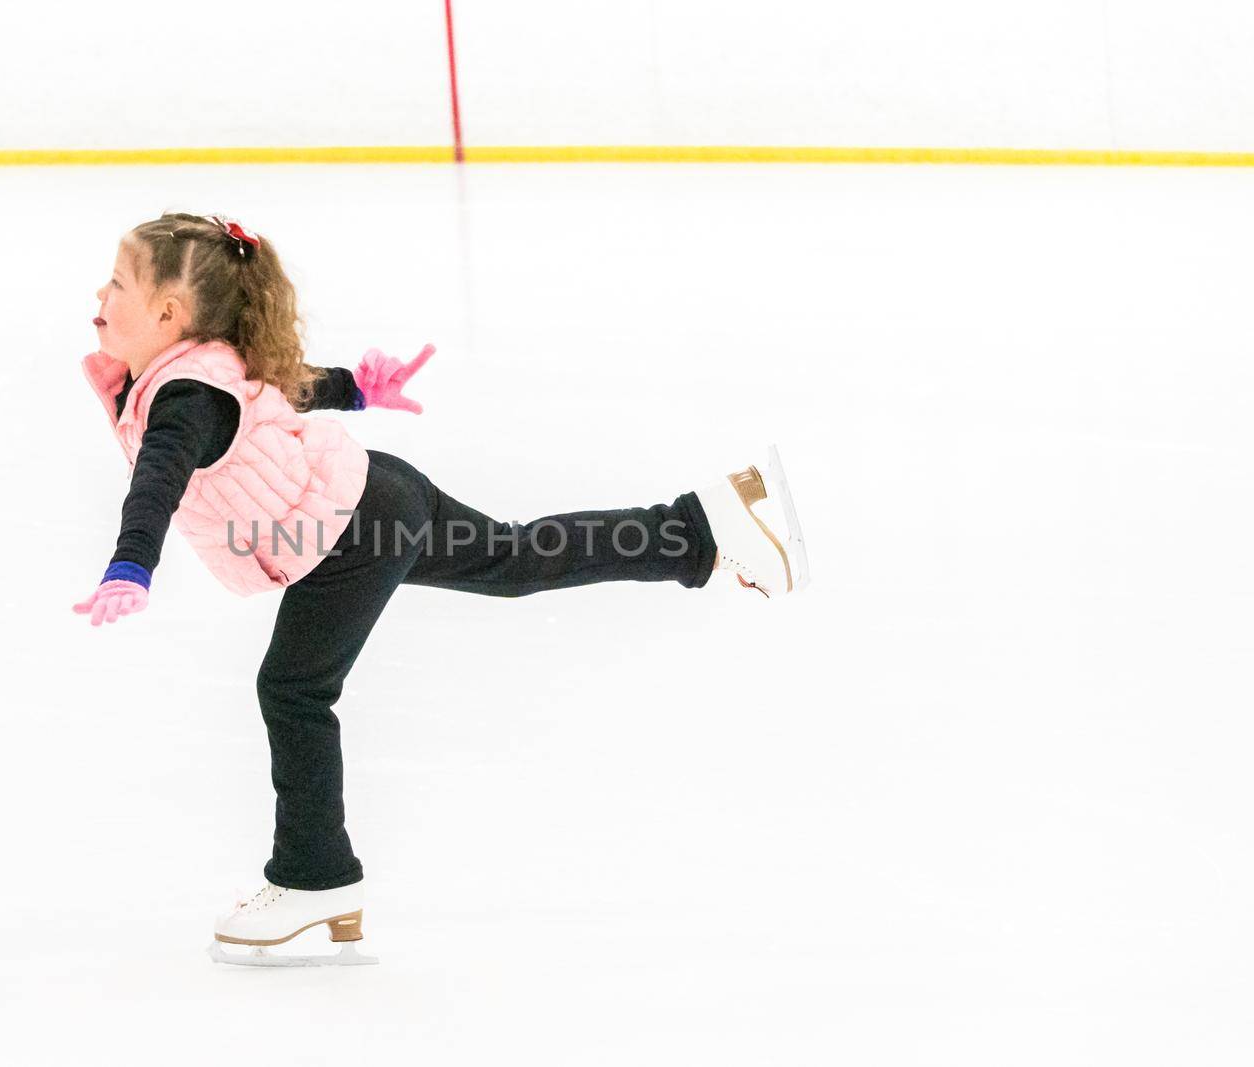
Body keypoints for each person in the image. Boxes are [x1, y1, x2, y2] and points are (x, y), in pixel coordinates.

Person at [72, 211, 809, 966]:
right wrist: (358, 387)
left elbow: (159, 479)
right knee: (518, 559)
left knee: (292, 689)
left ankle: (314, 874)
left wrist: (133, 562)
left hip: (352, 534)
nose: (100, 293)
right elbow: (277, 388)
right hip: (377, 501)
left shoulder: (184, 397)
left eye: (119, 282)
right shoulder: (194, 368)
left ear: (169, 313)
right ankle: (705, 524)